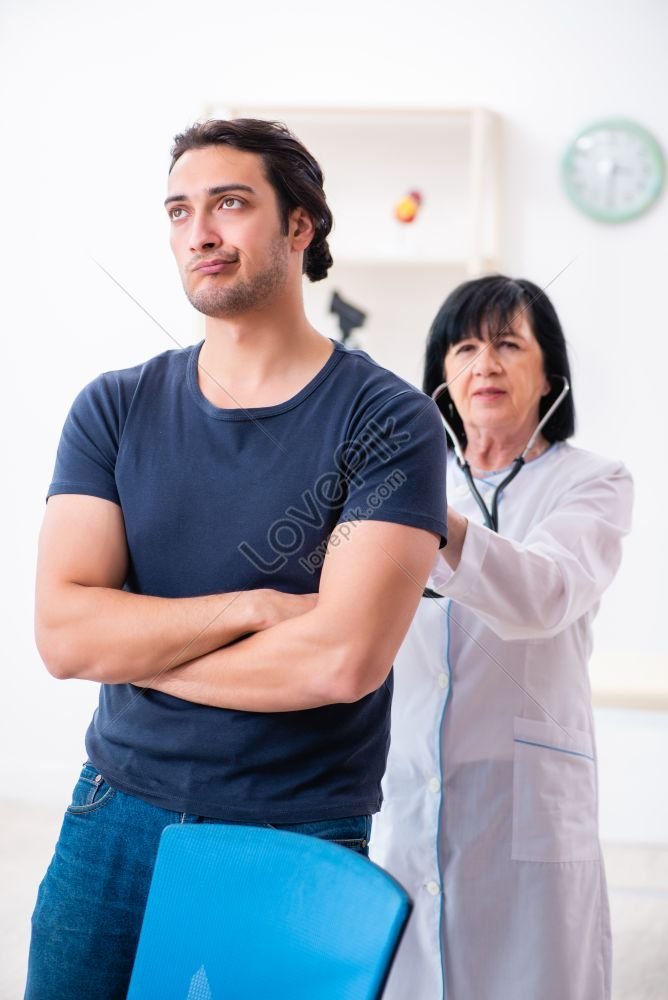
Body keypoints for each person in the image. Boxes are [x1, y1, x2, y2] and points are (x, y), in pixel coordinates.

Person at [25, 118, 448, 999]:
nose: (199, 232)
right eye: (180, 210)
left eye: (230, 204)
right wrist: (253, 608)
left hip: (294, 831)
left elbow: (339, 659)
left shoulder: (388, 421)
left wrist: (139, 654)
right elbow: (65, 635)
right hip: (113, 812)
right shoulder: (113, 408)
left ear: (301, 227)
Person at [370, 275, 633, 1000]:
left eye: (508, 344)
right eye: (464, 347)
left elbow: (544, 593)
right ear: (442, 378)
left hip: (527, 799)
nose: (483, 363)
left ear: (550, 374)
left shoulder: (593, 484)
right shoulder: (414, 482)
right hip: (405, 788)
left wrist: (432, 520)